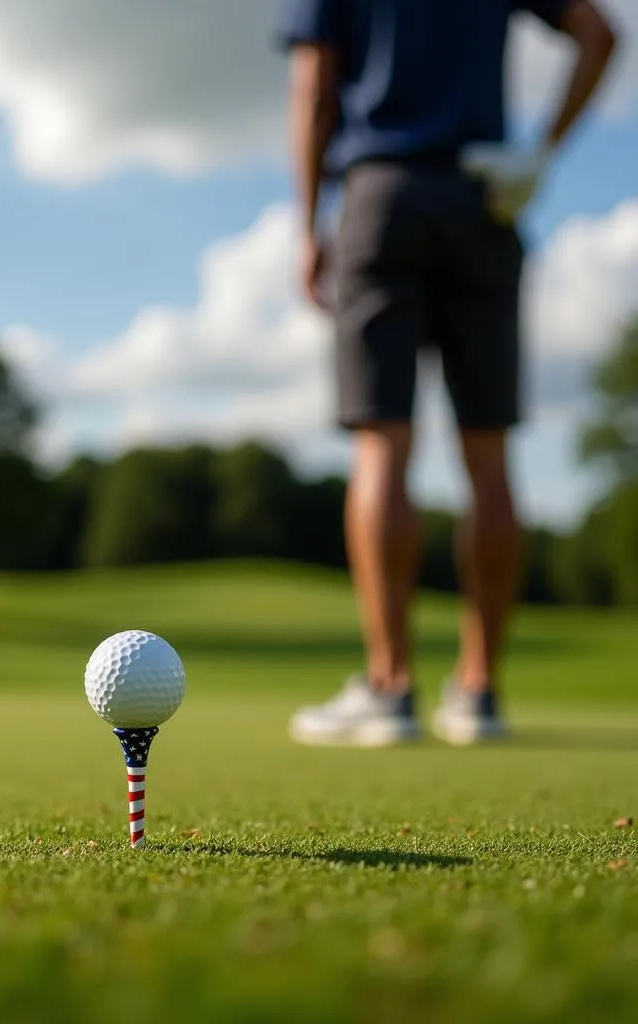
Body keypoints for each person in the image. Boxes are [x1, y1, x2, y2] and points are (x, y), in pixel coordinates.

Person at [276, 0, 618, 746]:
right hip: (483, 198)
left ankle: (389, 687)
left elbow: (315, 85)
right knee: (489, 457)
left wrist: (308, 224)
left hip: (381, 193)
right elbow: (600, 33)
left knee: (382, 448)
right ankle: (479, 692)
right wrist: (541, 153)